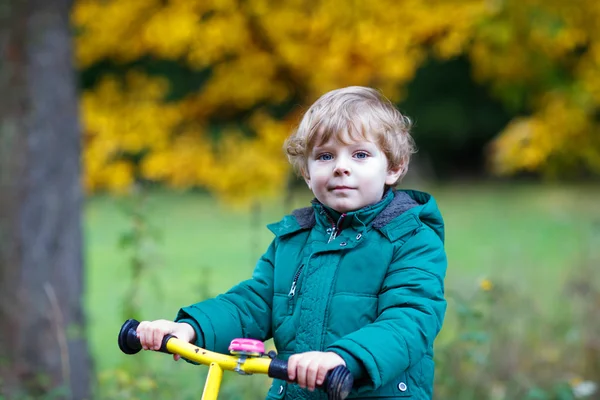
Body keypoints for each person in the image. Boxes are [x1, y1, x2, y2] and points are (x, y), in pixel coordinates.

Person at [136, 86, 447, 399]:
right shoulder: (295, 239)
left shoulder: (412, 240)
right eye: (325, 156)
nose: (341, 166)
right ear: (307, 173)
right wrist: (191, 328)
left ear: (394, 167)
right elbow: (252, 304)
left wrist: (343, 359)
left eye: (360, 155)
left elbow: (409, 320)